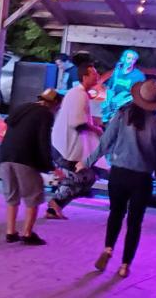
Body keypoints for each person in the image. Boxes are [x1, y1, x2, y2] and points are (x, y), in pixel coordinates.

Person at [80, 80, 156, 278]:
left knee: (116, 214)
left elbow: (105, 143)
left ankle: (108, 248)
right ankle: (125, 265)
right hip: (142, 178)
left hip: (119, 174)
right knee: (135, 223)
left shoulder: (122, 115)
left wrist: (87, 162)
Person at [0, 88, 61, 245]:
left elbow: (9, 125)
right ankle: (27, 233)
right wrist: (51, 166)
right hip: (24, 159)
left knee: (12, 196)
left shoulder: (22, 108)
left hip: (5, 157)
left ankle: (10, 232)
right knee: (33, 196)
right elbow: (43, 141)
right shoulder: (45, 114)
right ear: (54, 103)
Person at [48, 52, 104, 219]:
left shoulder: (78, 93)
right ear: (85, 76)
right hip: (65, 147)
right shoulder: (79, 94)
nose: (97, 77)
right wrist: (96, 129)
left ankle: (55, 206)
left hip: (66, 146)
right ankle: (55, 204)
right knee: (84, 177)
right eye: (94, 74)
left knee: (82, 177)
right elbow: (77, 122)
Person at [100, 49, 146, 123]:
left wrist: (121, 102)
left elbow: (138, 95)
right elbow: (110, 88)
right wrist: (108, 102)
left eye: (133, 59)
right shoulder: (117, 72)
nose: (130, 61)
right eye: (128, 58)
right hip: (113, 105)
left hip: (126, 108)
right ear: (123, 59)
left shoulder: (139, 75)